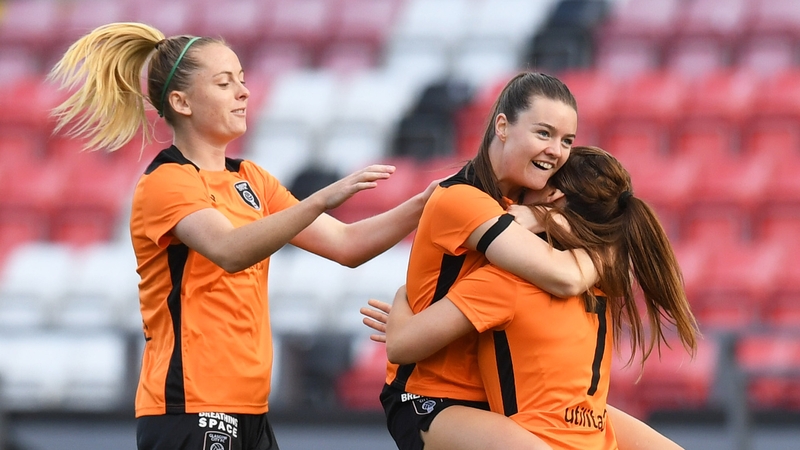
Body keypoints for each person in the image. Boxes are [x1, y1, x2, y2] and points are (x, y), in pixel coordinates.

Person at [48, 23, 436, 450]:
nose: (243, 92)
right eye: (224, 82)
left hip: (251, 408)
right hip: (189, 407)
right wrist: (319, 200)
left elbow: (346, 245)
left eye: (243, 80)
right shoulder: (166, 182)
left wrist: (428, 202)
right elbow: (230, 250)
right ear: (182, 102)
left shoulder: (251, 178)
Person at [365, 146, 699, 449]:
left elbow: (401, 342)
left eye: (524, 191)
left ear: (552, 196)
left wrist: (406, 294)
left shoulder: (511, 280)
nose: (509, 201)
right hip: (577, 436)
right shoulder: (603, 270)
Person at [369, 72, 608, 450]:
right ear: (502, 126)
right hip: (432, 398)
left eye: (567, 141)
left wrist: (555, 218)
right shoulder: (463, 198)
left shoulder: (532, 201)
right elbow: (565, 277)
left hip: (505, 400)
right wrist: (599, 243)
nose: (556, 151)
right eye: (543, 133)